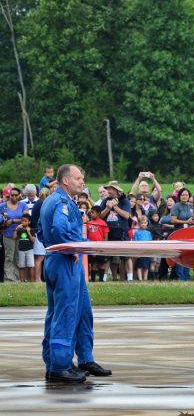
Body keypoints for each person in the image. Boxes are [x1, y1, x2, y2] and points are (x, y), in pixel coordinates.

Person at [38, 164, 111, 383]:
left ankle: (85, 358)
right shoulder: (61, 203)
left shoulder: (59, 201)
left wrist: (69, 247)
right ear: (65, 181)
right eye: (79, 178)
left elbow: (43, 232)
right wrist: (77, 245)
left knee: (81, 311)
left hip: (62, 258)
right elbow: (60, 229)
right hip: (64, 261)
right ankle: (59, 366)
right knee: (66, 313)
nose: (82, 181)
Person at [100, 181, 133, 281]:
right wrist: (108, 207)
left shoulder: (125, 201)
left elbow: (127, 215)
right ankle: (107, 279)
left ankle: (130, 278)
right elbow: (100, 216)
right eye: (108, 189)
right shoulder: (105, 201)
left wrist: (115, 207)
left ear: (116, 190)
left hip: (123, 232)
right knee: (109, 257)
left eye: (110, 189)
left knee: (126, 256)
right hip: (109, 232)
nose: (108, 191)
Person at [1, 187, 29, 282]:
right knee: (9, 257)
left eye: (15, 195)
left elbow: (26, 219)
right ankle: (9, 278)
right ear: (9, 195)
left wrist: (12, 220)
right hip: (7, 234)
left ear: (19, 195)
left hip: (20, 234)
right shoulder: (2, 206)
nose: (13, 197)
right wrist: (4, 222)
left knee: (18, 256)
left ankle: (18, 278)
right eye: (11, 195)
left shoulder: (23, 205)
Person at [170, 188, 194, 281]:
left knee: (188, 255)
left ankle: (187, 277)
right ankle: (180, 277)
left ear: (189, 196)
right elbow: (173, 220)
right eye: (182, 195)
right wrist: (185, 221)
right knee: (180, 255)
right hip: (179, 233)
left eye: (186, 195)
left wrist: (193, 221)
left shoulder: (191, 206)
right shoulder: (176, 206)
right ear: (179, 196)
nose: (184, 196)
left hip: (189, 234)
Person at [31, 187, 50, 283]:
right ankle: (37, 279)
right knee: (39, 257)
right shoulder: (42, 203)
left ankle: (38, 278)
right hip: (39, 232)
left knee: (40, 257)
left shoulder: (38, 203)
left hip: (38, 231)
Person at [86, 205, 109, 282]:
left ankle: (101, 279)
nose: (91, 214)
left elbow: (105, 235)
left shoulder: (103, 223)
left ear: (98, 213)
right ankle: (92, 279)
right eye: (91, 212)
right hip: (91, 246)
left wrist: (104, 246)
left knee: (102, 263)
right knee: (93, 263)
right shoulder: (88, 223)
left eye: (93, 212)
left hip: (100, 246)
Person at [13, 214, 35, 282]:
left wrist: (28, 232)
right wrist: (16, 229)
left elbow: (33, 241)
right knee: (21, 266)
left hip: (29, 250)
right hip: (21, 250)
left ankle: (31, 280)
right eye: (22, 221)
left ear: (29, 222)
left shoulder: (31, 229)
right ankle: (22, 280)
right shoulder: (19, 229)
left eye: (25, 221)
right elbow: (14, 238)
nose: (23, 222)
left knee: (30, 266)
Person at [133, 215, 152, 281]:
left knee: (146, 266)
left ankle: (145, 278)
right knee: (139, 266)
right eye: (141, 223)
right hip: (140, 252)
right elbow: (135, 242)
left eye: (144, 223)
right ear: (139, 224)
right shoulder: (137, 233)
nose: (143, 224)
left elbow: (150, 242)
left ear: (147, 223)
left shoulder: (149, 233)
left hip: (147, 252)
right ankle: (140, 279)